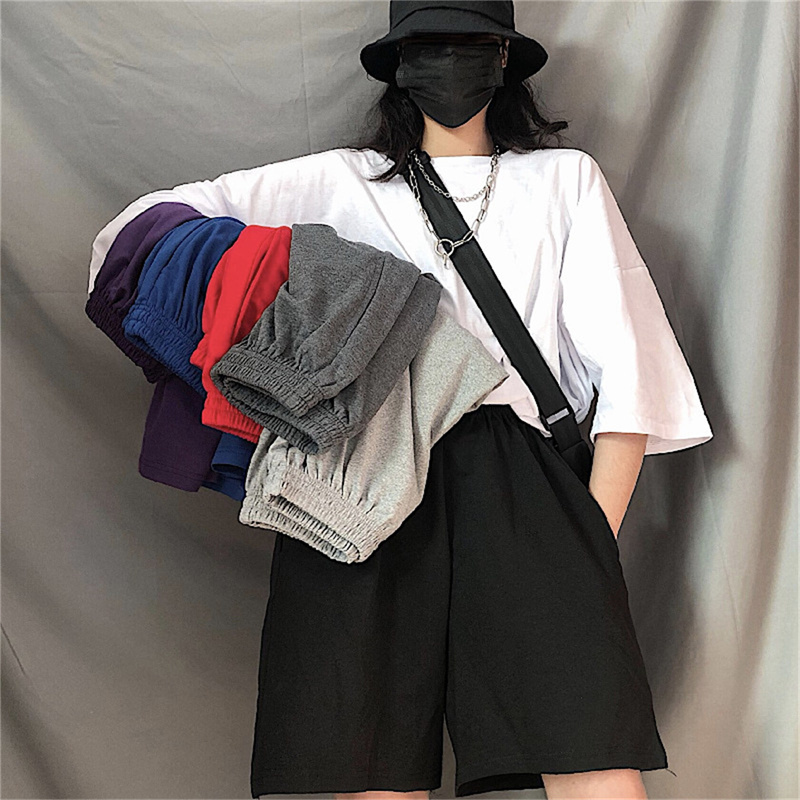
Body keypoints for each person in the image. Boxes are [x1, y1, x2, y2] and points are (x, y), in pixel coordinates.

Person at [87, 2, 713, 797]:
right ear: (398, 62)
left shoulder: (564, 181)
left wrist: (586, 540)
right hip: (360, 464)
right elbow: (131, 236)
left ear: (504, 59)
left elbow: (632, 380)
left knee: (592, 760)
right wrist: (276, 306)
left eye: (470, 43)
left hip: (517, 476)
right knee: (371, 771)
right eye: (427, 44)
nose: (449, 61)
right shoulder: (332, 181)